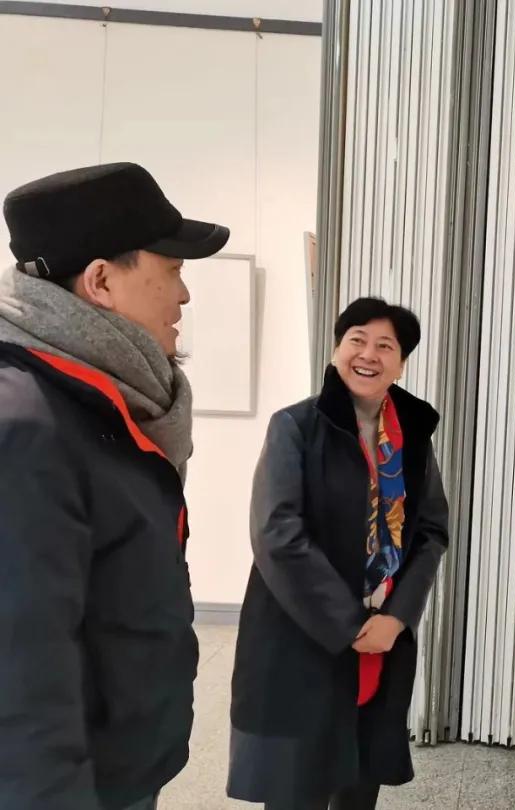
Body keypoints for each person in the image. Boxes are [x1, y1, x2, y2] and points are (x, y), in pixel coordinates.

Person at [0, 162, 230, 808]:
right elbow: (17, 677)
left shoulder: (96, 404)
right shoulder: (24, 425)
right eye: (173, 270)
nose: (184, 296)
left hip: (119, 764)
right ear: (101, 280)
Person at [227, 297, 450, 810]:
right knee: (297, 784)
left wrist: (396, 618)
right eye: (357, 340)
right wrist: (351, 625)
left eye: (385, 346)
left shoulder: (413, 435)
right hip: (302, 631)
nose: (368, 355)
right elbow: (277, 533)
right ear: (336, 350)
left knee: (360, 778)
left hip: (382, 637)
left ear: (400, 364)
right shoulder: (295, 426)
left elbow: (430, 531)